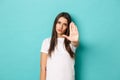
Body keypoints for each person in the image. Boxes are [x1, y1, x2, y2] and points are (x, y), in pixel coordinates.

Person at [40, 12, 79, 80]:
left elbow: (75, 44)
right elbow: (43, 68)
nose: (60, 27)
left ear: (67, 27)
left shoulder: (71, 42)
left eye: (65, 24)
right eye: (59, 22)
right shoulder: (46, 42)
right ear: (55, 23)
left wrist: (75, 41)